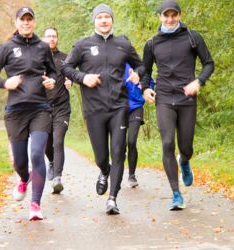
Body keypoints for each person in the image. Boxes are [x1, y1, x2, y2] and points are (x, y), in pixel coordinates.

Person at [62, 3, 144, 215]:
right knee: (101, 156)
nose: (104, 20)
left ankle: (112, 198)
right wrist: (83, 78)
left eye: (107, 17)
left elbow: (141, 64)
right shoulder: (83, 45)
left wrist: (138, 74)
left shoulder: (122, 44)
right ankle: (104, 171)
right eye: (100, 18)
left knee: (118, 152)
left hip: (119, 107)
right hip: (94, 109)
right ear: (95, 21)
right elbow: (66, 67)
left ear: (112, 21)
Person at [0, 7, 57, 221]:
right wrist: (5, 82)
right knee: (20, 162)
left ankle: (35, 204)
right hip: (15, 111)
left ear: (34, 23)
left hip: (40, 109)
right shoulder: (6, 47)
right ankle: (24, 179)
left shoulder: (43, 47)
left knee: (37, 154)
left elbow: (52, 71)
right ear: (16, 22)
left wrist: (51, 80)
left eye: (29, 20)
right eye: (22, 20)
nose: (26, 23)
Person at [141, 0, 214, 210]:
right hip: (164, 98)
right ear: (160, 17)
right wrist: (145, 89)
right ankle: (176, 193)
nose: (170, 19)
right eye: (166, 15)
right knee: (167, 143)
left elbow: (209, 63)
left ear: (180, 16)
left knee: (185, 146)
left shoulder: (192, 37)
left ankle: (184, 160)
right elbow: (145, 71)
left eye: (174, 15)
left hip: (187, 99)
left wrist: (198, 81)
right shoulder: (152, 43)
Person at [42, 27, 72, 194]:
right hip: (43, 109)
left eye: (54, 36)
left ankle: (58, 178)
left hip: (62, 108)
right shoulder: (38, 59)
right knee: (47, 144)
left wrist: (70, 81)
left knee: (58, 141)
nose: (52, 39)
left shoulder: (65, 58)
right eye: (48, 36)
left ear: (57, 39)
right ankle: (52, 162)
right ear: (43, 39)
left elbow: (72, 73)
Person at [123, 63, 154, 188]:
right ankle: (118, 167)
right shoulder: (114, 64)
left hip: (136, 108)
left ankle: (131, 175)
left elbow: (149, 83)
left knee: (131, 141)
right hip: (119, 109)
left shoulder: (138, 66)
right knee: (119, 145)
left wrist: (139, 84)